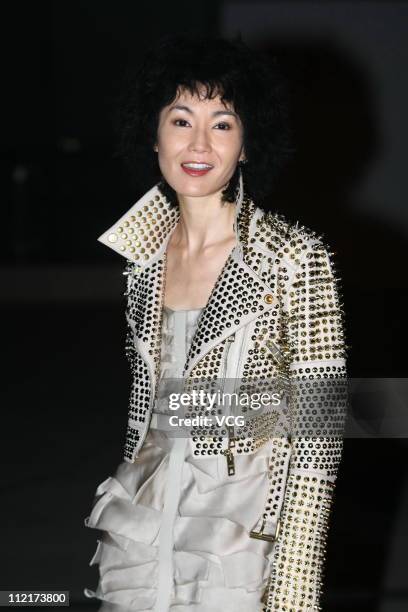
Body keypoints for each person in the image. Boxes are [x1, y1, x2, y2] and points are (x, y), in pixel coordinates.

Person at [84, 34, 348, 612]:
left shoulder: (293, 257)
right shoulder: (142, 258)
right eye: (181, 120)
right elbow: (147, 414)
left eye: (223, 124)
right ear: (153, 135)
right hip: (147, 516)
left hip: (243, 530)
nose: (199, 143)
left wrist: (295, 583)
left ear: (247, 143)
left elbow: (319, 431)